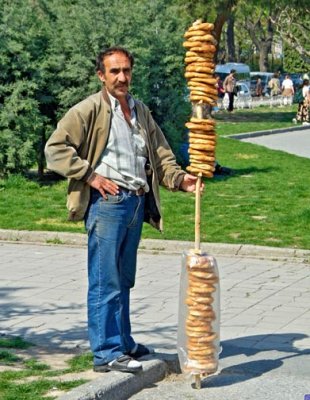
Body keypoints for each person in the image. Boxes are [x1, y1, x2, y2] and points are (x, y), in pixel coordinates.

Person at [44, 47, 203, 374]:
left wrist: (179, 179)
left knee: (124, 278)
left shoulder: (139, 109)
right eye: (114, 71)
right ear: (101, 75)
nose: (122, 77)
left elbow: (160, 154)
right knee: (106, 281)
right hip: (107, 205)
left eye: (126, 71)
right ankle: (106, 352)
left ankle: (124, 341)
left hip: (135, 202)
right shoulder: (89, 109)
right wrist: (90, 175)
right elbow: (55, 149)